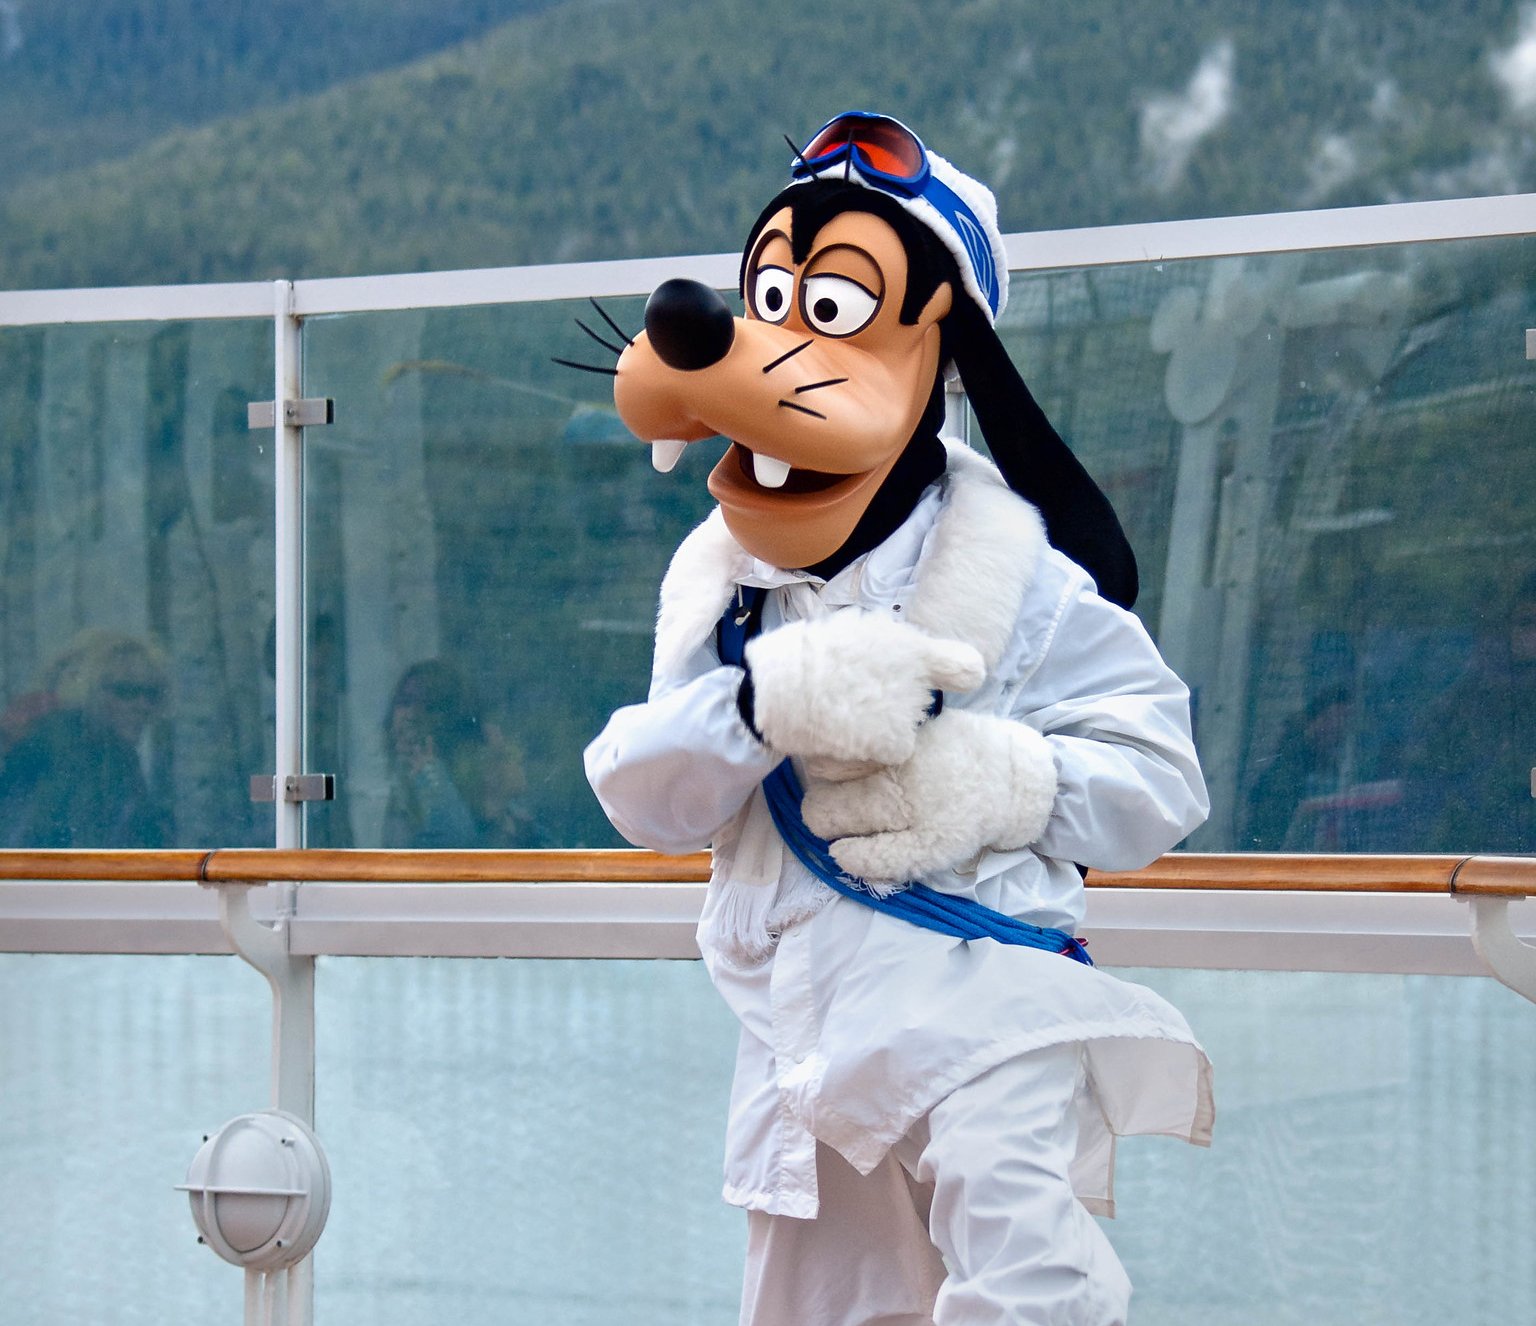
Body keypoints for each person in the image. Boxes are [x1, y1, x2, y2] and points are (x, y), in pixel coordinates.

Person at [582, 112, 1212, 1325]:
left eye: (835, 304)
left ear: (937, 347)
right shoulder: (721, 585)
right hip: (800, 1031)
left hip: (980, 994)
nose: (776, 333)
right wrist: (762, 704)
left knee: (1031, 1281)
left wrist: (997, 782)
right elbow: (644, 798)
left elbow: (1161, 775)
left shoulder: (1024, 584)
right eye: (775, 296)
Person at [0, 629, 171, 848]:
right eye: (125, 691)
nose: (142, 705)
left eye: (152, 694)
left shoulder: (115, 756)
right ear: (87, 689)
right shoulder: (63, 749)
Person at [381, 658, 533, 848]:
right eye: (405, 702)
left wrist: (431, 776)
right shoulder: (400, 786)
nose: (410, 716)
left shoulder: (455, 791)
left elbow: (458, 848)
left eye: (429, 707)